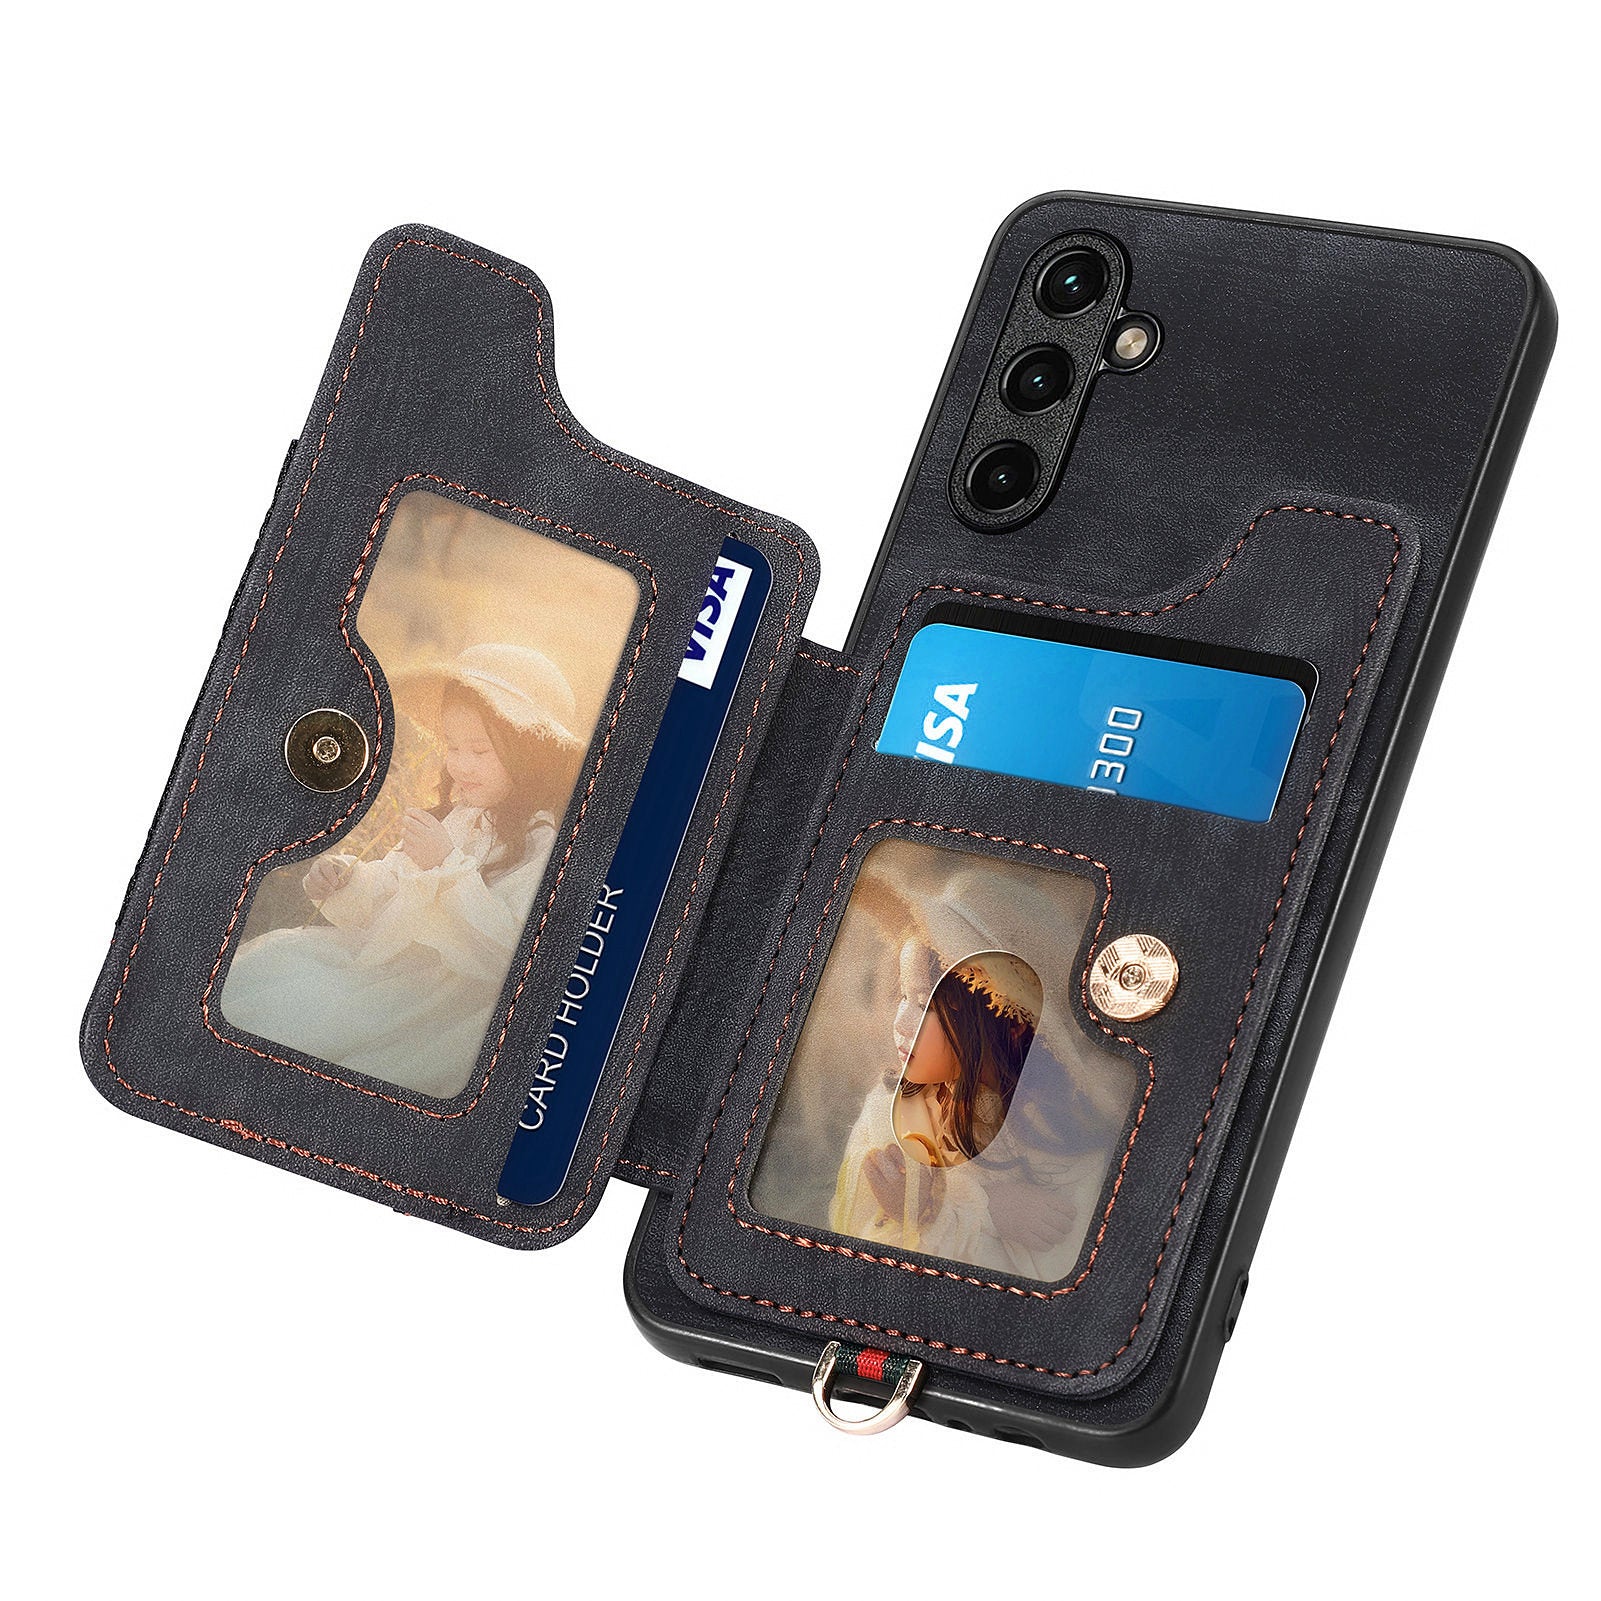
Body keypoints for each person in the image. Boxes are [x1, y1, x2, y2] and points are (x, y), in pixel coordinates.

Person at [220, 642, 582, 1099]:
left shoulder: (540, 842)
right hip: (389, 966)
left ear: (529, 754)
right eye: (453, 746)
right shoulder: (459, 817)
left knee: (338, 1034)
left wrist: (446, 866)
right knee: (276, 985)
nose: (461, 765)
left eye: (479, 750)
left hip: (446, 1002)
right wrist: (347, 881)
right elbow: (392, 884)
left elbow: (506, 955)